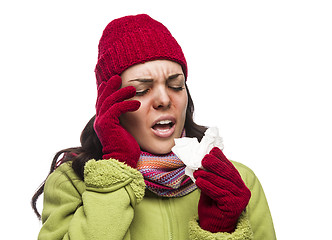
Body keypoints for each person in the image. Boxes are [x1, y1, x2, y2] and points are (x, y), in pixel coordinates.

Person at [32, 14, 276, 239]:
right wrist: (114, 174)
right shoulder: (72, 184)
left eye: (176, 85)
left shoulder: (236, 181)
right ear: (109, 103)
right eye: (141, 90)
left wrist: (220, 229)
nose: (164, 100)